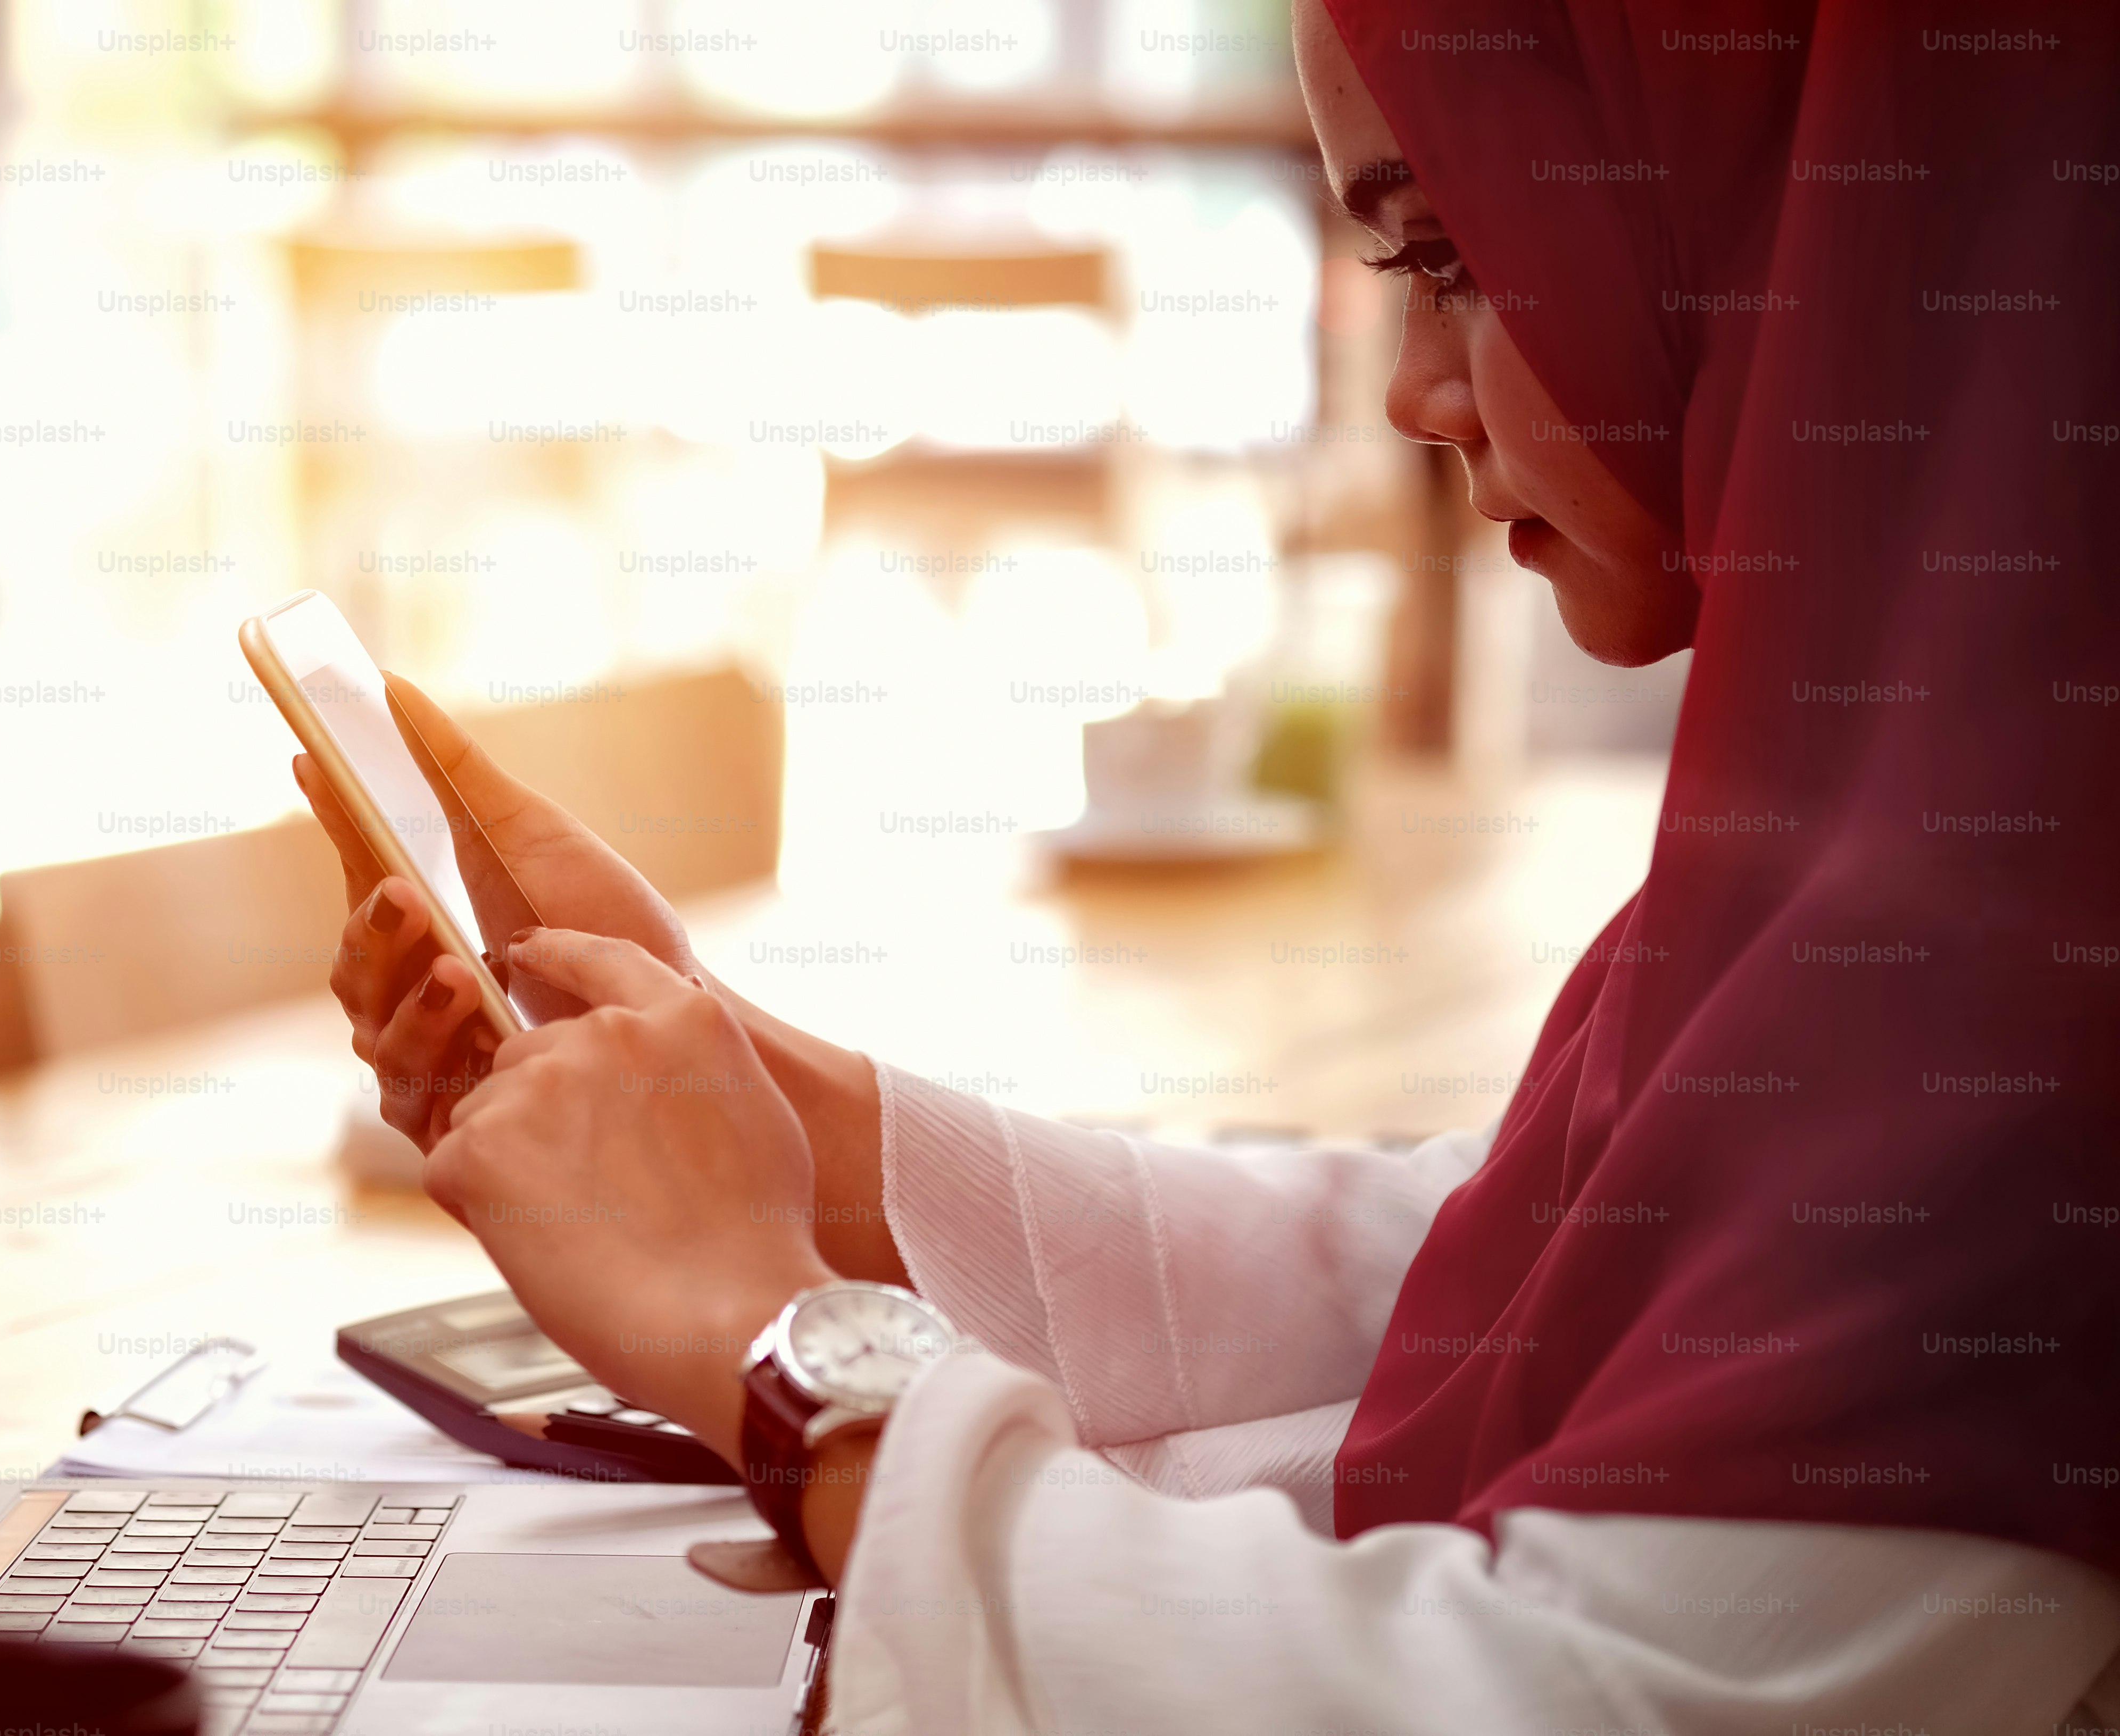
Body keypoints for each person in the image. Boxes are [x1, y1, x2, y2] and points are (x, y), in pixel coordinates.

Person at [298, 1, 2120, 1727]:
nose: (1415, 394)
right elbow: (1461, 1260)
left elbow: (1529, 1709)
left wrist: (774, 1338)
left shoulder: (2006, 977)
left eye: (1451, 260)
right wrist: (761, 1105)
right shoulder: (1943, 825)